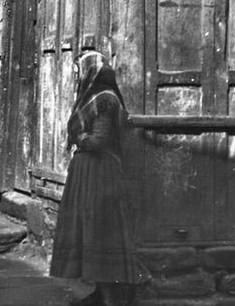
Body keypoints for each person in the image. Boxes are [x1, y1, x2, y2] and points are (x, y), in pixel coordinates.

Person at [50, 50, 146, 306]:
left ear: (92, 72)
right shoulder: (93, 98)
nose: (79, 76)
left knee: (100, 232)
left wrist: (79, 139)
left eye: (81, 71)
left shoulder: (106, 100)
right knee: (88, 232)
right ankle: (98, 291)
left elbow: (98, 140)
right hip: (88, 173)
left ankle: (110, 297)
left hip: (100, 174)